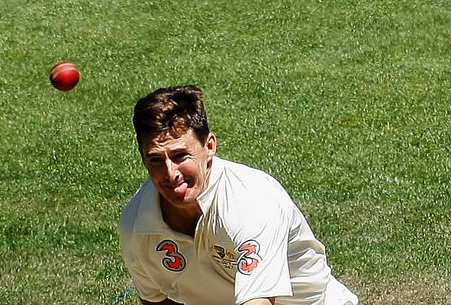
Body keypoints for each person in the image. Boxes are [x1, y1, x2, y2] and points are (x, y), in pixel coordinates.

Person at [119, 85, 358, 305]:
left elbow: (259, 301)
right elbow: (156, 300)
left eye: (180, 156)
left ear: (210, 146)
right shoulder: (137, 225)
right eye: (156, 160)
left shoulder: (252, 202)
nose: (171, 174)